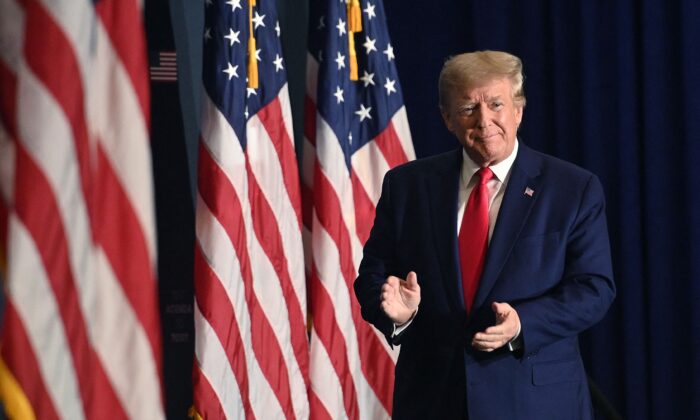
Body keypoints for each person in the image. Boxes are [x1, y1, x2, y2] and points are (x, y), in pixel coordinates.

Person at [354, 50, 615, 419]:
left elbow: (594, 288)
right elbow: (373, 276)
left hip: (534, 402)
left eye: (496, 104)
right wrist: (399, 316)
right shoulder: (407, 186)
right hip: (433, 401)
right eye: (467, 109)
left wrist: (524, 322)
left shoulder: (572, 188)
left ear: (518, 110)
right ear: (447, 119)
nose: (484, 120)